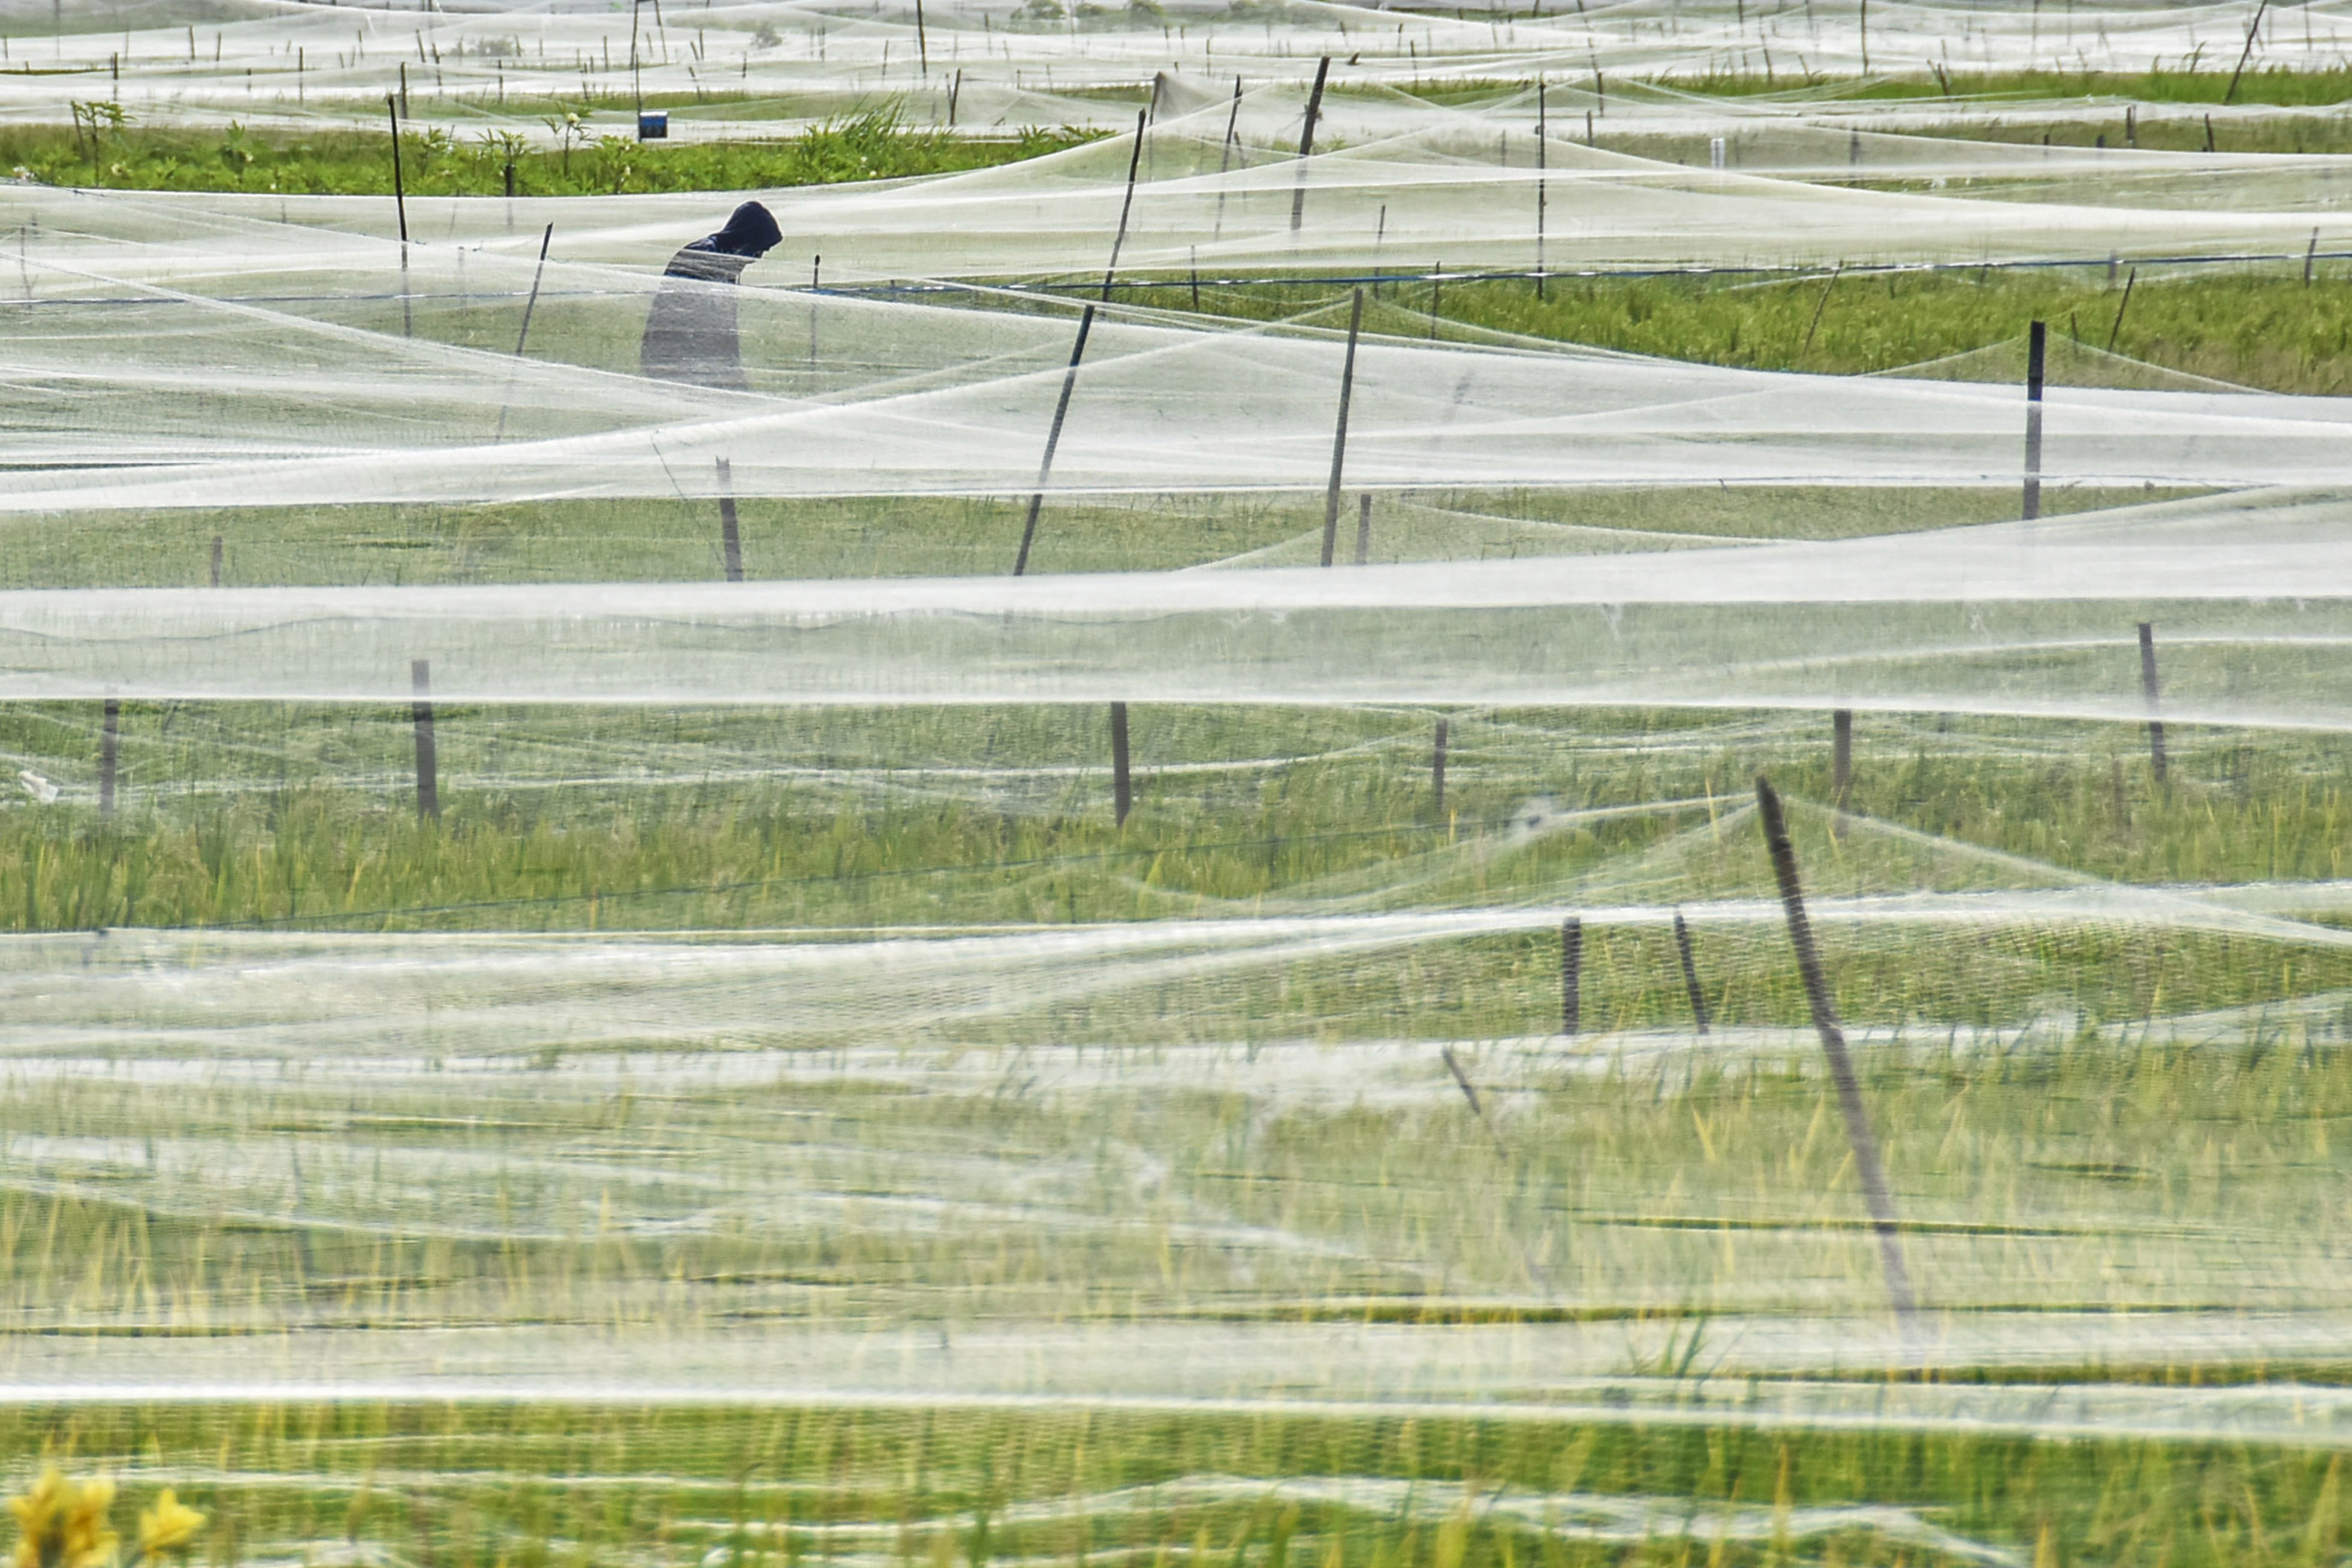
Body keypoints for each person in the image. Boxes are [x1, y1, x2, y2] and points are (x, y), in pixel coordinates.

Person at [639, 200, 782, 390]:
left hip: (704, 364)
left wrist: (734, 373)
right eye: (758, 250)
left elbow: (725, 327)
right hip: (676, 361)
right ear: (743, 238)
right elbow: (679, 317)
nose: (757, 258)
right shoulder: (703, 256)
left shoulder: (728, 264)